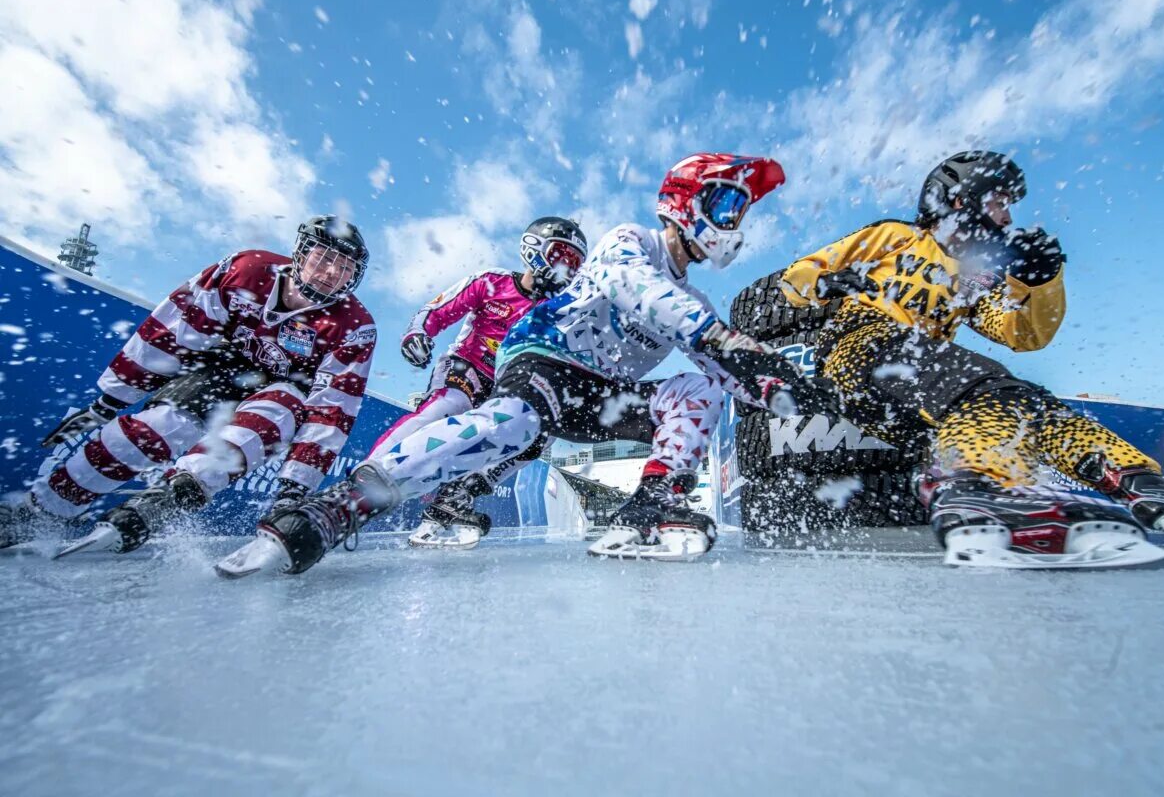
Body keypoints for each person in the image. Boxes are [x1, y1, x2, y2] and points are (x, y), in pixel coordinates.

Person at [215, 152, 832, 577]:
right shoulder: (629, 242)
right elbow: (637, 287)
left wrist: (784, 389)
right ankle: (344, 504)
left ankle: (651, 501)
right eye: (726, 206)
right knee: (513, 424)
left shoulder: (695, 304)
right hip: (545, 360)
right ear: (687, 201)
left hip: (603, 397)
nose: (733, 225)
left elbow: (723, 368)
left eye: (739, 214)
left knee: (697, 388)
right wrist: (726, 339)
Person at [777, 150, 1164, 569]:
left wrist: (1042, 280)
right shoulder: (898, 236)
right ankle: (974, 488)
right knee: (978, 382)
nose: (1007, 218)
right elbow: (795, 280)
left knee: (1022, 399)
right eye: (999, 203)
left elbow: (1023, 333)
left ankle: (1143, 484)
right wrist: (828, 280)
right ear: (962, 200)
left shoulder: (981, 275)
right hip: (858, 347)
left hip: (916, 390)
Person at [0, 216, 376, 558]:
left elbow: (333, 408)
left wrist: (294, 487)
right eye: (324, 257)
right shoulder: (246, 270)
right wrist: (110, 400)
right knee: (148, 431)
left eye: (345, 268)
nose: (331, 272)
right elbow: (174, 330)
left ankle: (174, 496)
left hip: (286, 390)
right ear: (301, 252)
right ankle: (42, 510)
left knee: (267, 418)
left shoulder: (353, 325)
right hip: (220, 369)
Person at [373, 216, 587, 549]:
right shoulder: (492, 281)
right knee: (450, 405)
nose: (566, 269)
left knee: (537, 436)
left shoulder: (560, 312)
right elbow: (439, 309)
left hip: (509, 385)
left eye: (574, 264)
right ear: (534, 249)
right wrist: (418, 332)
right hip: (467, 365)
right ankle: (369, 472)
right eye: (560, 255)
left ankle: (461, 493)